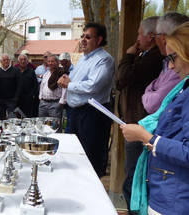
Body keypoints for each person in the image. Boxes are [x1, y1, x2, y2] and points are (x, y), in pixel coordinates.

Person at [120, 21, 189, 215]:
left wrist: (147, 138)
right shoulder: (183, 87)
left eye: (173, 57)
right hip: (167, 191)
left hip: (175, 198)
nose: (172, 66)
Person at [115, 16, 163, 213]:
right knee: (132, 172)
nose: (137, 39)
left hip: (140, 124)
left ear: (151, 36)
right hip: (134, 120)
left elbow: (122, 79)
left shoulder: (154, 58)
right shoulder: (144, 56)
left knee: (134, 176)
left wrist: (127, 55)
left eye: (139, 34)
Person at [58, 22, 115, 177]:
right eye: (82, 36)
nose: (83, 39)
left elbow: (92, 86)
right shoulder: (83, 59)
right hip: (75, 113)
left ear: (99, 40)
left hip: (92, 115)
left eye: (88, 37)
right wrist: (67, 79)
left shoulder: (104, 60)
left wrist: (69, 85)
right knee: (73, 152)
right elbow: (76, 81)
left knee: (90, 156)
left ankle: (91, 189)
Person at [142, 12, 189, 114]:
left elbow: (153, 104)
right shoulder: (170, 62)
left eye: (156, 35)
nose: (171, 66)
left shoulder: (180, 69)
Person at [0, 53, 21, 120]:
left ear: (9, 61)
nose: (6, 61)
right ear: (1, 61)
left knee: (12, 119)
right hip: (0, 101)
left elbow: (19, 85)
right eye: (4, 60)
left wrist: (16, 98)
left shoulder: (16, 70)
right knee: (1, 119)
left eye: (7, 60)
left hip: (12, 100)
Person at [16, 54, 38, 118]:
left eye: (24, 59)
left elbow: (35, 85)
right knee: (18, 119)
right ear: (18, 62)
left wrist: (32, 95)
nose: (23, 61)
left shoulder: (31, 72)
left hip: (29, 100)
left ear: (27, 61)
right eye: (21, 60)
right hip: (17, 100)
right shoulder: (15, 71)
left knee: (28, 118)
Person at [59, 52, 74, 133]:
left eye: (63, 63)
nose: (62, 65)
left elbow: (68, 87)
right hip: (63, 100)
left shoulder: (74, 71)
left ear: (68, 61)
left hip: (70, 100)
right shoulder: (63, 70)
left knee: (69, 122)